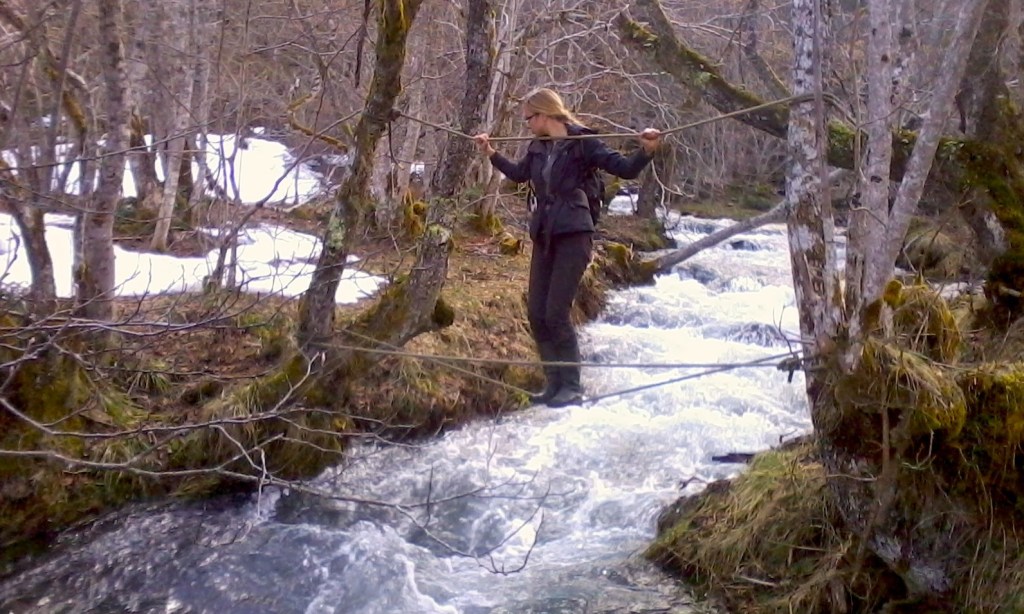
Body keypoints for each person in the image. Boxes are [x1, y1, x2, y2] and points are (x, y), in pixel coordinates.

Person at [473, 88, 661, 407]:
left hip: (574, 232)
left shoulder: (582, 143)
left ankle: (572, 386)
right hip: (545, 232)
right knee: (536, 312)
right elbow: (519, 176)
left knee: (556, 312)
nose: (528, 124)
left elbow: (626, 169)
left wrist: (646, 150)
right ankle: (553, 383)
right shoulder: (538, 148)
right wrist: (490, 152)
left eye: (530, 118)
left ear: (545, 114)